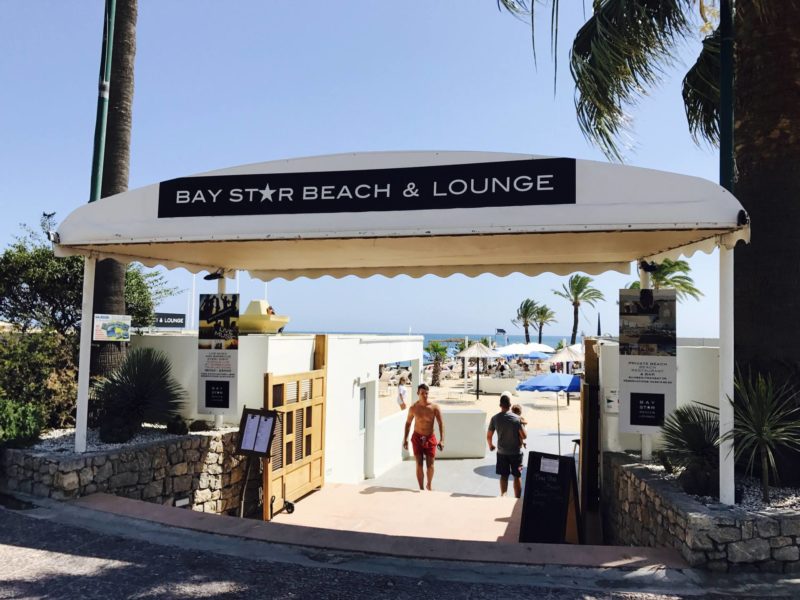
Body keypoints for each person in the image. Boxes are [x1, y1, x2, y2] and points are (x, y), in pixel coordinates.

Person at [402, 383, 444, 491]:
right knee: (419, 464)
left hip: (430, 438)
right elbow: (408, 423)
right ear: (418, 393)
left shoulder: (434, 407)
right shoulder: (413, 408)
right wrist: (405, 439)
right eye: (422, 393)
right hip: (417, 438)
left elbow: (441, 423)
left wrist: (442, 440)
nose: (425, 395)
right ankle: (421, 488)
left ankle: (429, 484)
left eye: (426, 393)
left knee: (430, 465)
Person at [487, 392, 526, 498]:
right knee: (517, 476)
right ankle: (517, 499)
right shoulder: (516, 418)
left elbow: (489, 436)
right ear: (510, 405)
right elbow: (524, 436)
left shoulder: (494, 418)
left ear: (500, 405)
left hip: (501, 453)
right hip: (516, 454)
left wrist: (491, 445)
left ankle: (503, 496)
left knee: (504, 476)